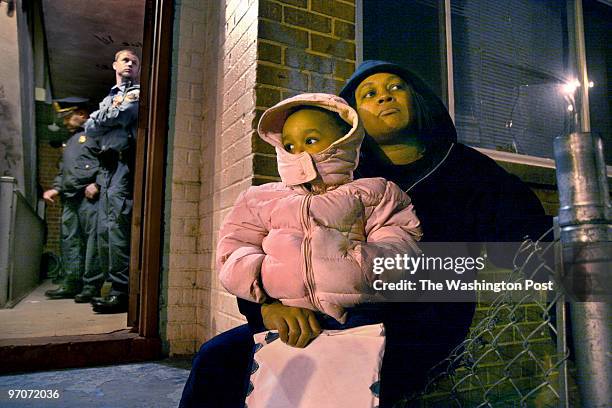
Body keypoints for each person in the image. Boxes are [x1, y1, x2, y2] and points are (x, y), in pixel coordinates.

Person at [179, 61, 551, 408]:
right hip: (308, 315)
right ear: (350, 124)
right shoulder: (331, 175)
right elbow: (266, 244)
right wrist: (269, 307)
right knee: (219, 360)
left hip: (417, 323)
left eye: (395, 87)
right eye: (368, 94)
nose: (384, 96)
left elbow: (531, 235)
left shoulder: (468, 170)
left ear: (418, 99)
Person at [218, 92, 422, 330]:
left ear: (344, 140)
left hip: (357, 316)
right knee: (213, 356)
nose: (299, 152)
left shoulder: (375, 192)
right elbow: (233, 249)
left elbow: (401, 245)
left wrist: (358, 267)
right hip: (282, 313)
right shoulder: (260, 199)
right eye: (289, 145)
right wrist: (265, 285)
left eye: (311, 140)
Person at [84, 49, 140, 314]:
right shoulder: (110, 96)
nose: (130, 64)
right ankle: (113, 287)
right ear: (115, 64)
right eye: (125, 60)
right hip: (107, 167)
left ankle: (122, 291)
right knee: (105, 229)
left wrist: (101, 117)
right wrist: (102, 118)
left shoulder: (136, 92)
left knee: (117, 226)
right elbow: (89, 128)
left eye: (134, 61)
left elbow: (124, 115)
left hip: (123, 164)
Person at [44, 106, 102, 303]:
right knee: (69, 240)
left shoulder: (96, 134)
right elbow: (63, 170)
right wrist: (56, 188)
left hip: (89, 196)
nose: (65, 121)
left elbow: (109, 161)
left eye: (68, 117)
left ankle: (91, 286)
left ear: (81, 115)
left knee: (91, 242)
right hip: (70, 197)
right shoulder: (69, 142)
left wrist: (98, 183)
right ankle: (71, 283)